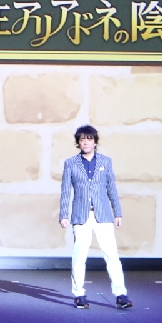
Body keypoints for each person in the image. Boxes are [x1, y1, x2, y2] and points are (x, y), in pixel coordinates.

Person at [58, 124, 131, 309]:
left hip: (103, 215)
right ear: (78, 143)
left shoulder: (105, 162)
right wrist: (64, 215)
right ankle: (79, 294)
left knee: (112, 255)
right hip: (81, 216)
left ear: (95, 142)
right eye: (82, 140)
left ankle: (121, 294)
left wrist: (117, 212)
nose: (86, 143)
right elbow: (66, 191)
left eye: (89, 139)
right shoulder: (70, 163)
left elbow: (111, 188)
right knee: (79, 256)